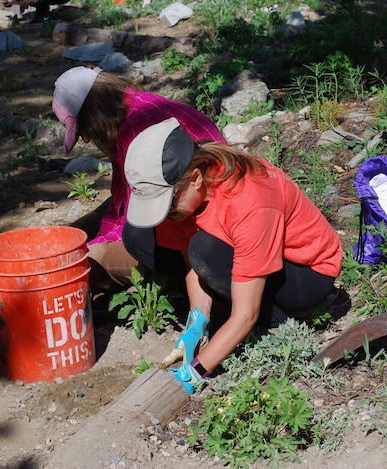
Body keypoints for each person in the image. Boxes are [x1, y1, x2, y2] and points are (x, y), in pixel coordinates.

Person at [0, 67, 227, 351]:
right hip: (181, 205)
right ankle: (31, 255)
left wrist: (81, 253)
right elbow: (120, 204)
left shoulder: (136, 129)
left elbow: (130, 224)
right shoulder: (137, 109)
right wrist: (74, 241)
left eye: (83, 129)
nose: (87, 138)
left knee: (88, 261)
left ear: (95, 112)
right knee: (95, 220)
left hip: (195, 226)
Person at [121, 118, 344, 393]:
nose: (165, 213)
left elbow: (245, 313)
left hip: (306, 272)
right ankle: (221, 313)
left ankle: (279, 324)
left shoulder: (250, 200)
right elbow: (191, 262)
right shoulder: (181, 188)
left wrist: (194, 371)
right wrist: (197, 320)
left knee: (205, 248)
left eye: (168, 203)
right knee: (139, 234)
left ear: (196, 179)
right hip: (246, 256)